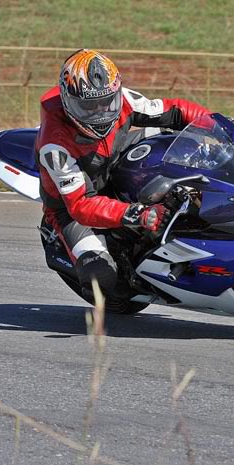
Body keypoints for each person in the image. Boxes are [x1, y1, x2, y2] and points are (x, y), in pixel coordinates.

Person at [35, 49, 211, 311]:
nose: (100, 113)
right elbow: (81, 204)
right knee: (100, 275)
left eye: (106, 102)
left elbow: (173, 110)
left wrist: (218, 124)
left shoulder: (123, 99)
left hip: (114, 157)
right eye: (88, 106)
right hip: (72, 206)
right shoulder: (55, 145)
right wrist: (135, 214)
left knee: (173, 141)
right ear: (67, 101)